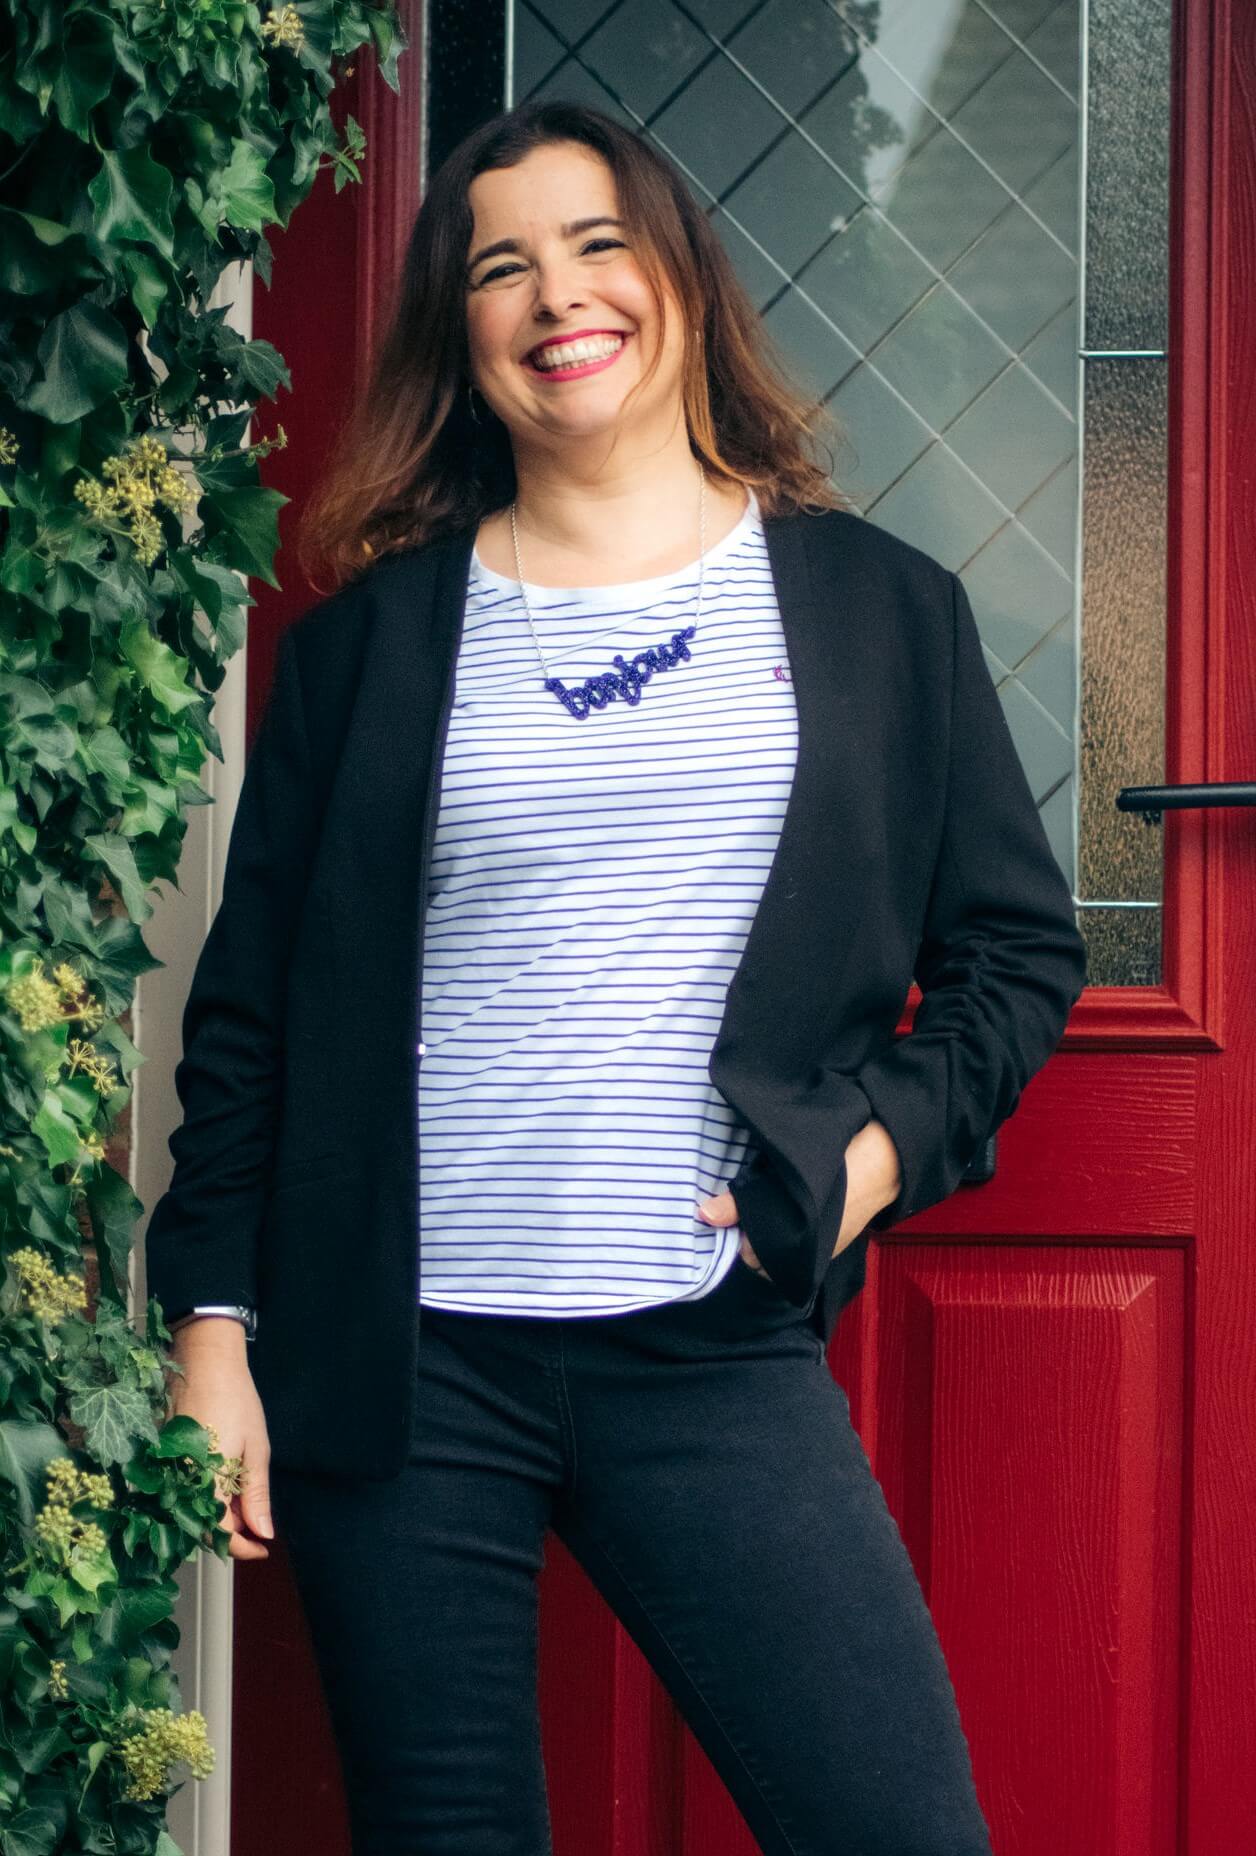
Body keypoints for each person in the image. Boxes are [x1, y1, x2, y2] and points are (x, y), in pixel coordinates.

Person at [148, 99, 1087, 1855]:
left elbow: (1018, 954)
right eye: (501, 267)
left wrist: (867, 1159)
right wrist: (213, 1331)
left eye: (595, 244)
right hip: (407, 1361)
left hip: (713, 1347)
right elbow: (253, 1011)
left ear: (677, 283)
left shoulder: (882, 612)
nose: (554, 294)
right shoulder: (368, 651)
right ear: (464, 338)